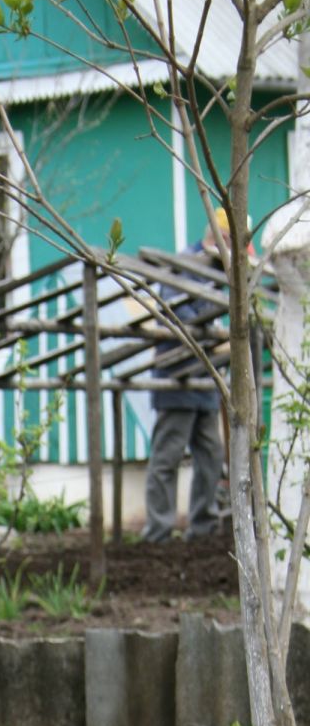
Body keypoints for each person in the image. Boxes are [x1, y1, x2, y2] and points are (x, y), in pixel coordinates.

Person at [142, 215, 232, 543]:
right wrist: (212, 333)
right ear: (221, 236)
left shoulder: (221, 271)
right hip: (177, 377)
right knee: (168, 456)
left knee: (210, 456)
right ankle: (159, 533)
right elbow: (179, 312)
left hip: (205, 379)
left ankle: (203, 528)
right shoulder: (182, 264)